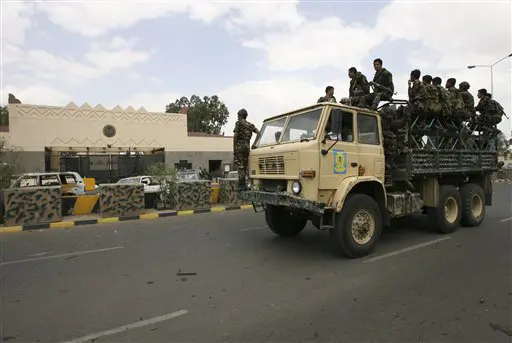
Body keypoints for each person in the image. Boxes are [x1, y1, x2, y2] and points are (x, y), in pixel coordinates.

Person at [233, 108, 259, 190]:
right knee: (246, 166)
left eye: (238, 115)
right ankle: (247, 184)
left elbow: (235, 136)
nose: (237, 117)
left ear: (240, 115)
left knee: (240, 166)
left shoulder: (238, 123)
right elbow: (258, 133)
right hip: (247, 146)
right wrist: (254, 144)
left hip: (240, 146)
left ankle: (241, 185)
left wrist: (234, 147)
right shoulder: (250, 125)